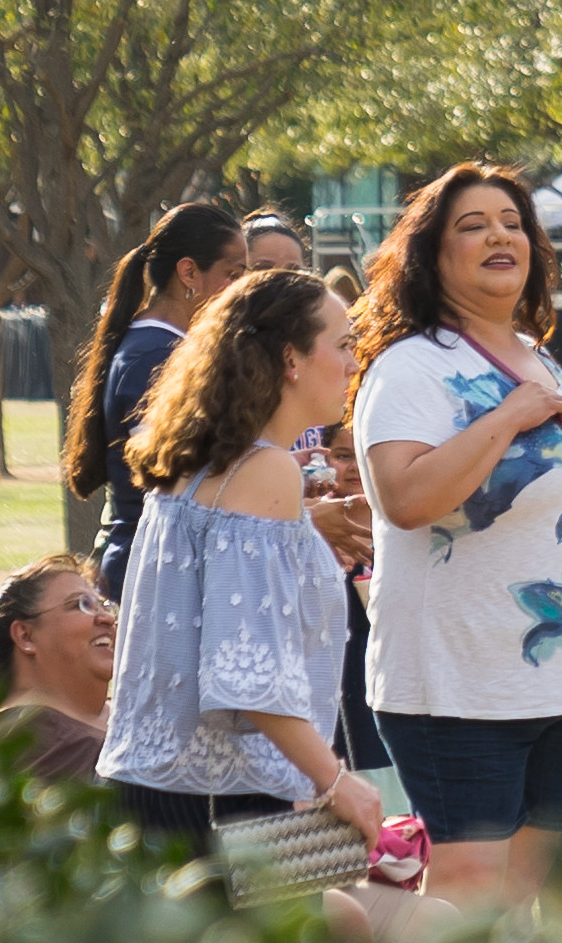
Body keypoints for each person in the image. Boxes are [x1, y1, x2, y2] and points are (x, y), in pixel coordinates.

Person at [351, 163, 562, 905]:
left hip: (556, 680)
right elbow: (404, 499)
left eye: (511, 222)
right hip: (457, 682)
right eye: (472, 226)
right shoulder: (411, 368)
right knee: (468, 896)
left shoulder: (541, 360)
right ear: (432, 257)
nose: (499, 234)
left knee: (522, 895)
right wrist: (505, 418)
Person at [102, 262, 384, 883]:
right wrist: (337, 781)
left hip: (157, 787)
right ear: (291, 358)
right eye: (342, 347)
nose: (353, 364)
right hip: (215, 801)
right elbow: (244, 673)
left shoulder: (204, 459)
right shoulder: (263, 470)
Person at [75, 200, 251, 598]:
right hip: (152, 569)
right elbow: (174, 478)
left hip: (169, 561)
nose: (241, 288)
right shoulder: (153, 356)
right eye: (233, 274)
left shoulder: (170, 348)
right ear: (189, 272)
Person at [0, 552, 122, 782]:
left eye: (104, 606)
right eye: (81, 605)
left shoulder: (120, 711)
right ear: (26, 636)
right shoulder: (31, 739)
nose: (107, 619)